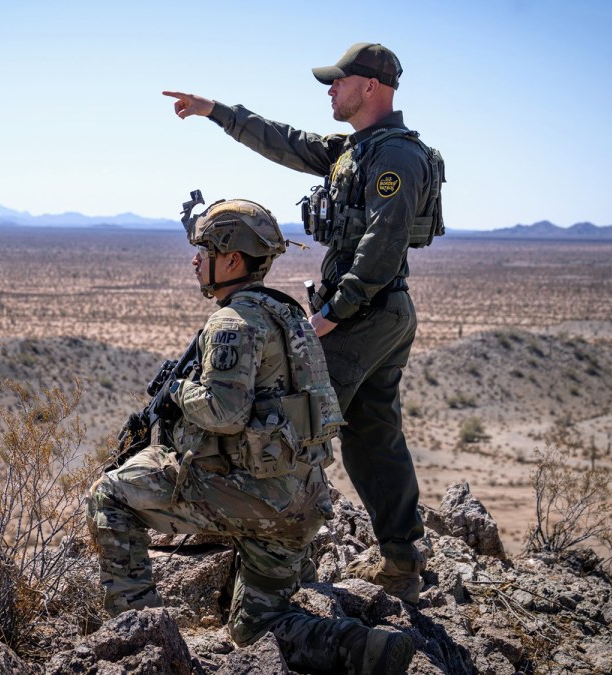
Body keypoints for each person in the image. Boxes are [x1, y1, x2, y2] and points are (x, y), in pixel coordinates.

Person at [162, 42, 445, 604]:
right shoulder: (353, 150)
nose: (330, 89)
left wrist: (331, 316)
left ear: (371, 86)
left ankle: (274, 573)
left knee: (291, 429)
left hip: (365, 314)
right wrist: (216, 111)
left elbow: (383, 244)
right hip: (378, 311)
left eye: (339, 80)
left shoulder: (395, 156)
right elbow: (285, 141)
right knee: (372, 435)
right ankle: (401, 561)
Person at [86, 198, 414, 673]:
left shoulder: (231, 322)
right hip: (299, 507)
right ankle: (361, 646)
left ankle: (140, 635)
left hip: (250, 500)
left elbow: (225, 412)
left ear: (233, 260)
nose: (195, 261)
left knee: (110, 495)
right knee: (255, 629)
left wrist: (177, 391)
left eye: (205, 252)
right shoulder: (291, 316)